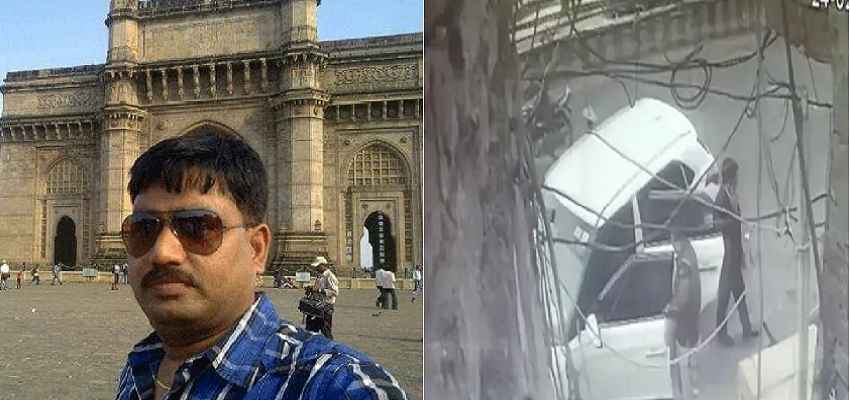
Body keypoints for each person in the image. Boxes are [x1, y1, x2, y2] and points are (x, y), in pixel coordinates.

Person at [115, 127, 404, 399]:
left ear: (256, 249)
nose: (163, 252)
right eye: (144, 228)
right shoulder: (140, 369)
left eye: (197, 227)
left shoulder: (337, 385)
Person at [714, 158, 759, 346]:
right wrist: (733, 221)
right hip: (728, 255)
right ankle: (721, 334)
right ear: (731, 177)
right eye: (736, 175)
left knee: (740, 294)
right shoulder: (721, 198)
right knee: (724, 297)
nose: (738, 179)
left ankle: (746, 329)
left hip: (735, 252)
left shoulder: (732, 194)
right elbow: (716, 223)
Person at [665, 201, 702, 400]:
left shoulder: (684, 262)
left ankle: (689, 394)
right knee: (691, 362)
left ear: (675, 238)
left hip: (686, 322)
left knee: (686, 364)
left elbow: (683, 296)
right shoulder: (688, 251)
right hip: (692, 319)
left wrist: (670, 309)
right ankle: (694, 391)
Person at [305, 256, 339, 339]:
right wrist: (311, 288)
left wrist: (319, 290)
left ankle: (330, 346)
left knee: (326, 332)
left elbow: (335, 292)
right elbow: (317, 288)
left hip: (326, 307)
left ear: (323, 265)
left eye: (317, 266)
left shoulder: (330, 276)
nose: (316, 268)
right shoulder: (320, 275)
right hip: (317, 306)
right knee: (311, 330)